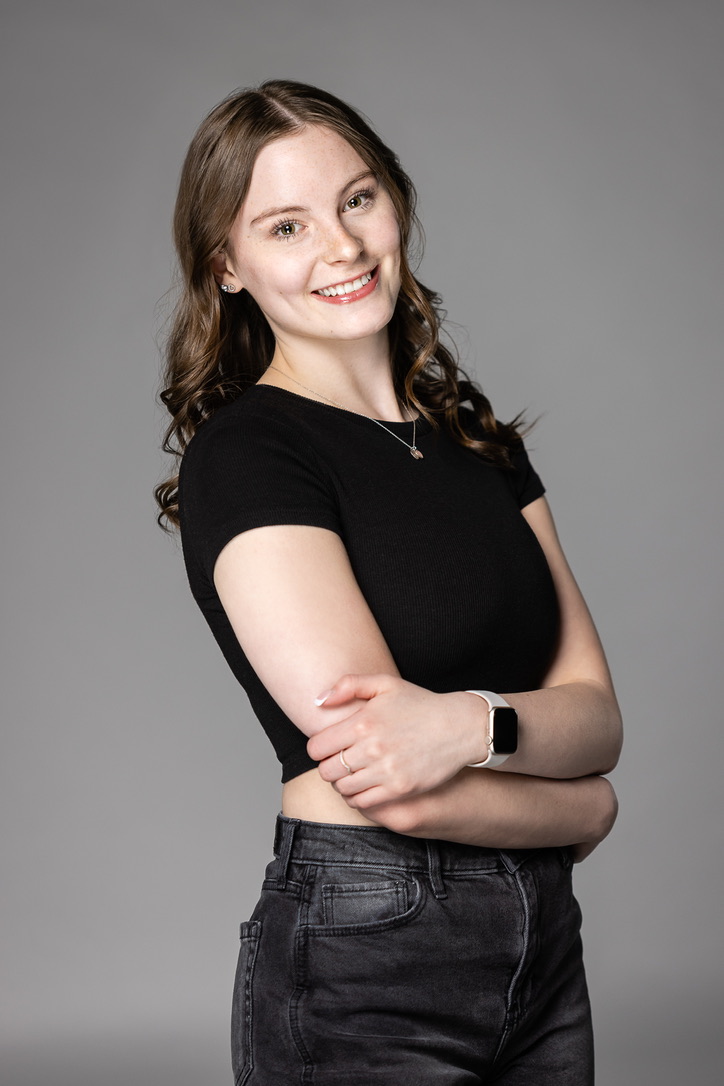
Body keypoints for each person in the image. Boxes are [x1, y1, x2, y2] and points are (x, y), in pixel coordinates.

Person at [156, 79, 621, 1084]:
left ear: (395, 200)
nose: (342, 247)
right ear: (227, 267)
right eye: (286, 225)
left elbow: (597, 716)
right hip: (371, 952)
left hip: (543, 953)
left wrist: (472, 727)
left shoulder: (472, 438)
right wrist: (589, 811)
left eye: (357, 199)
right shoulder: (251, 455)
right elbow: (390, 788)